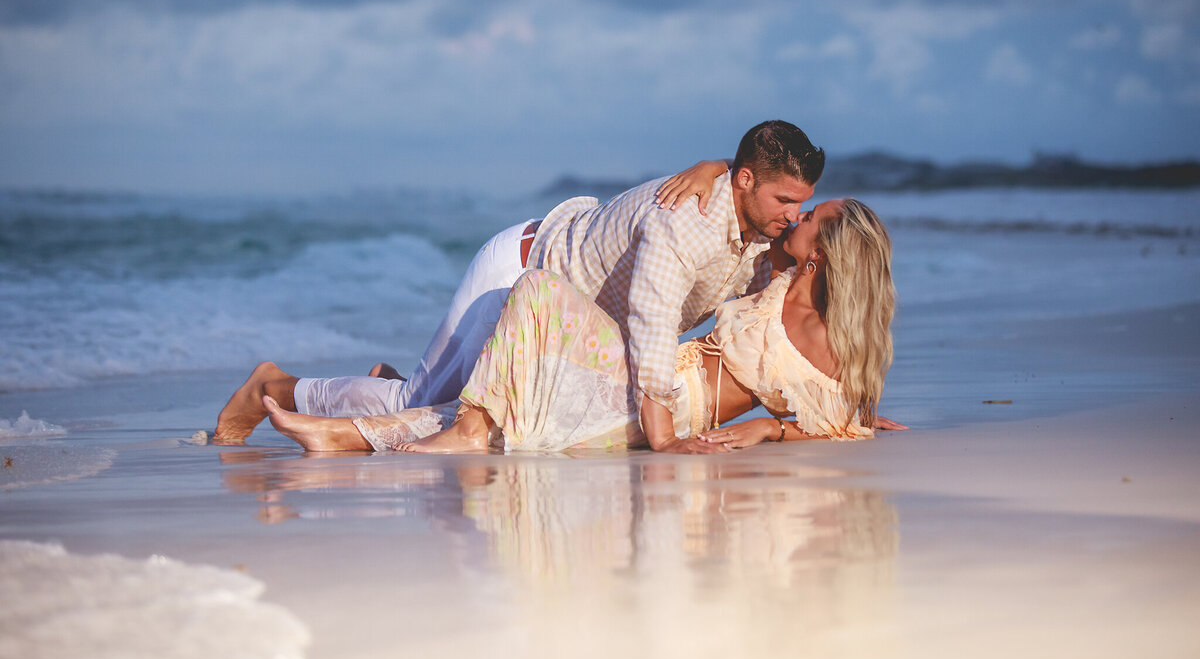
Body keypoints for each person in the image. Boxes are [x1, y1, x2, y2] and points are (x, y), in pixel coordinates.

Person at [214, 120, 824, 448]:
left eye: (803, 204)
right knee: (421, 408)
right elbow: (653, 315)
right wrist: (660, 433)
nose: (794, 214)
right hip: (522, 274)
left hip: (556, 317)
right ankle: (277, 386)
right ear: (744, 181)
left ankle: (408, 377)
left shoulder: (751, 220)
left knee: (445, 399)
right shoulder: (685, 221)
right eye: (785, 199)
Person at [262, 198, 900, 455]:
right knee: (530, 317)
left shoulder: (830, 346)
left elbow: (838, 425)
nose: (797, 217)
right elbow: (732, 204)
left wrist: (769, 429)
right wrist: (711, 170)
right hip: (645, 371)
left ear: (825, 252)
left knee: (505, 413)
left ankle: (338, 434)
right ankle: (340, 430)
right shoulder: (776, 275)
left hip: (668, 411)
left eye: (810, 216)